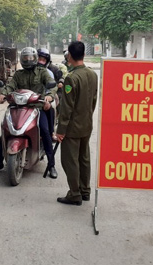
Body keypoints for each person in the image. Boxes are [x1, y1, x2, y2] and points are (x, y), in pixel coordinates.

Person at [0, 47, 58, 179]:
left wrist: (49, 95)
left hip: (37, 107)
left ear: (35, 58)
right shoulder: (18, 74)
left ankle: (51, 165)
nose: (28, 60)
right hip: (18, 106)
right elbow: (10, 85)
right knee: (6, 130)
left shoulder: (42, 72)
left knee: (44, 130)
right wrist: (3, 94)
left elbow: (51, 84)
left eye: (31, 58)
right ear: (22, 59)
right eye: (25, 58)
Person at [55, 41, 98, 206]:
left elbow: (66, 108)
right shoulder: (92, 75)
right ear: (84, 55)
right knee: (84, 158)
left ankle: (74, 194)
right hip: (86, 124)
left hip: (72, 128)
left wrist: (61, 130)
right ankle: (84, 191)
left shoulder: (71, 78)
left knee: (70, 160)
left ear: (69, 57)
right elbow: (93, 101)